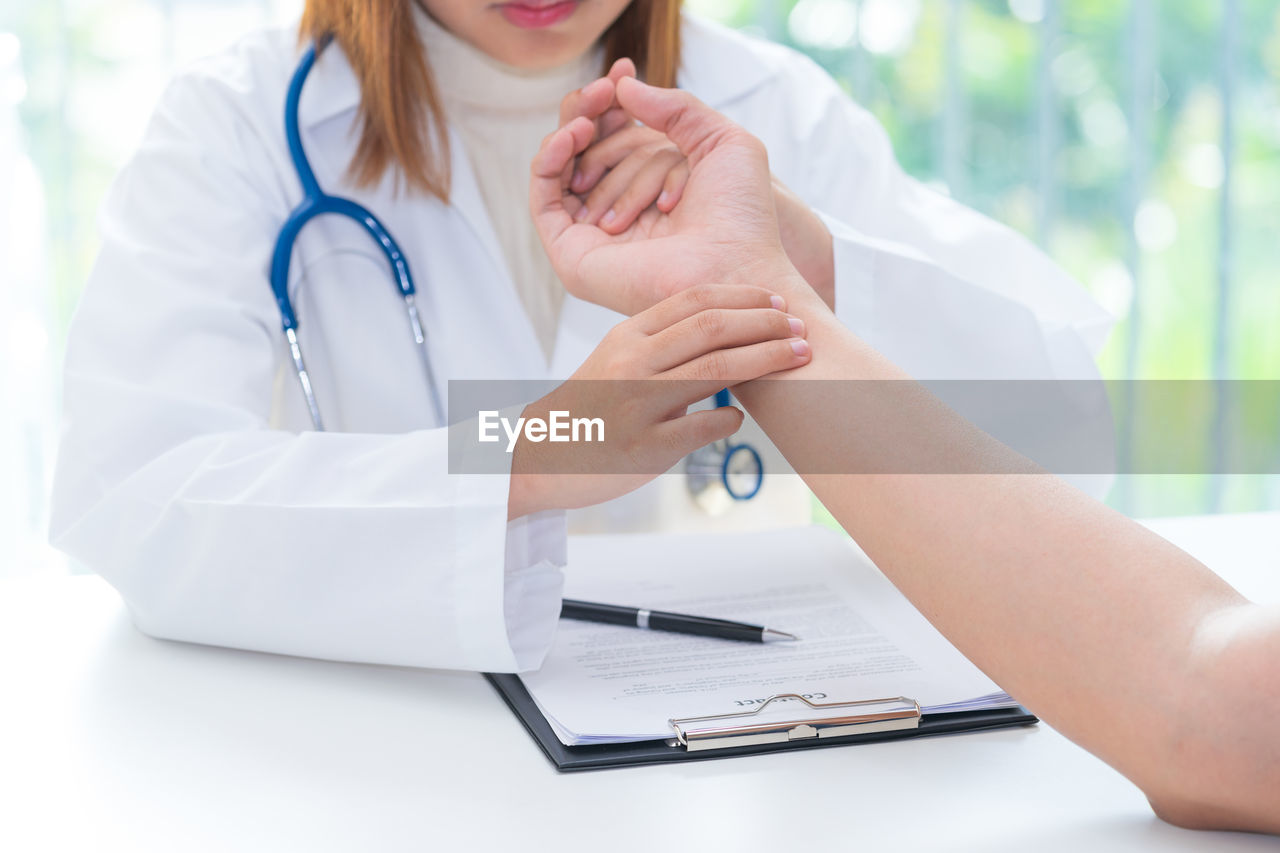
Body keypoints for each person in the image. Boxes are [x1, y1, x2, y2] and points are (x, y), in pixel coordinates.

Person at [50, 0, 1108, 672]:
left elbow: (1071, 434)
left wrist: (802, 261)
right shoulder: (232, 125)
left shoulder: (769, 111)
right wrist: (529, 455)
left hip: (729, 761)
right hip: (379, 765)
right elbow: (128, 494)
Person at [529, 74, 1280, 834]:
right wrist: (529, 446)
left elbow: (1204, 702)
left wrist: (787, 283)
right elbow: (1201, 698)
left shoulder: (779, 106)